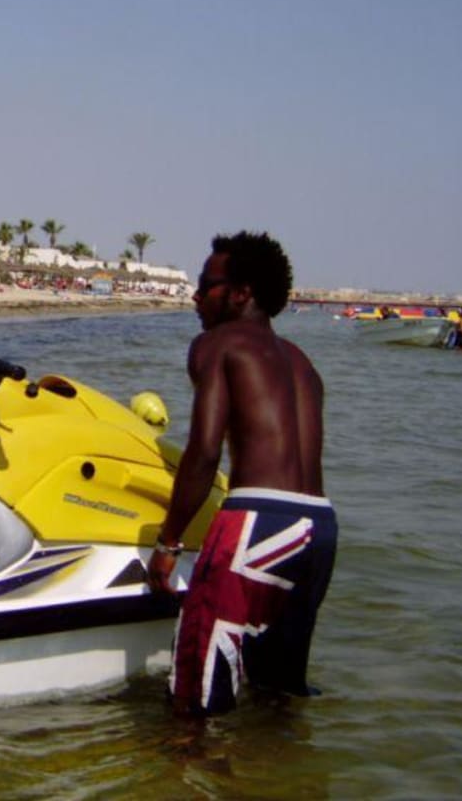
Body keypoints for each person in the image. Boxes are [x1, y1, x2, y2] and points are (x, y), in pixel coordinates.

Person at [147, 231, 338, 716]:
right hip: (319, 527)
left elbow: (204, 451)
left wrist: (168, 545)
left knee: (194, 697)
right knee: (278, 696)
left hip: (258, 520)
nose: (195, 297)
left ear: (241, 293)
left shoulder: (217, 344)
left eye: (205, 285)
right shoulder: (303, 363)